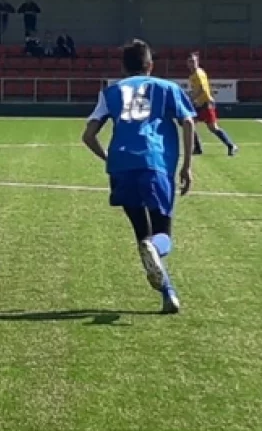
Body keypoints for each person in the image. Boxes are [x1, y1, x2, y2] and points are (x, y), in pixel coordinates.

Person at [82, 39, 196, 314]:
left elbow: (88, 136)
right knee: (161, 236)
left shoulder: (110, 92)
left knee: (142, 235)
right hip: (155, 163)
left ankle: (169, 294)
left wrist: (110, 158)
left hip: (121, 166)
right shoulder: (168, 88)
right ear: (151, 65)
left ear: (123, 67)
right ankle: (159, 266)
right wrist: (187, 166)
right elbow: (189, 122)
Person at [186, 52, 238, 157]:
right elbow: (198, 89)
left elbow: (201, 89)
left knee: (213, 128)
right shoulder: (194, 74)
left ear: (197, 62)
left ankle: (231, 145)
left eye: (194, 61)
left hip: (205, 104)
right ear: (187, 63)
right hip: (199, 104)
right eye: (190, 61)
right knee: (191, 124)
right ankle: (197, 148)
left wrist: (191, 99)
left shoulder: (198, 74)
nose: (192, 64)